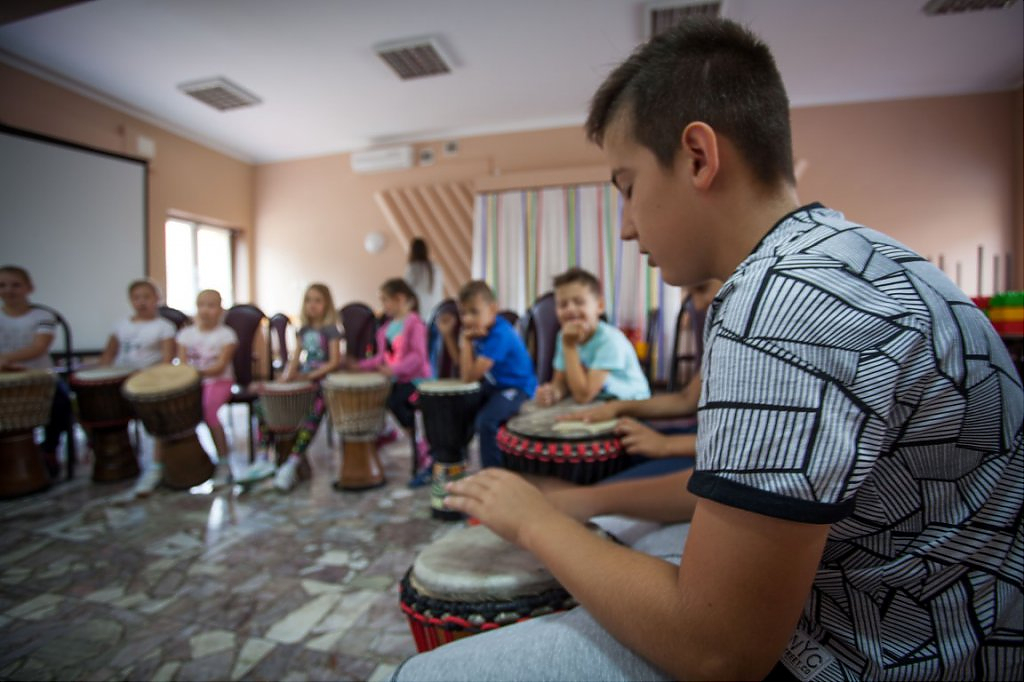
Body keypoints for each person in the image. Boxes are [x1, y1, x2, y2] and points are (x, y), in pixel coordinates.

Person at [395, 17, 1023, 682]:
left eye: (628, 187)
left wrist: (533, 522)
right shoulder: (849, 257)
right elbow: (746, 499)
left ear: (698, 156)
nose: (627, 227)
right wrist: (576, 506)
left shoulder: (784, 305)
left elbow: (718, 650)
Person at [568, 279, 722, 482]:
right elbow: (687, 399)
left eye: (701, 289)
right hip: (701, 435)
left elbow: (746, 442)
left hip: (714, 453)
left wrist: (666, 445)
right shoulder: (722, 335)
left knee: (594, 486)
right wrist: (617, 408)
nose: (698, 305)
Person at [437, 281, 536, 470]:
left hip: (517, 388)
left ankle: (492, 472)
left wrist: (466, 342)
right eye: (463, 313)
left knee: (487, 421)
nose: (467, 319)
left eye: (474, 312)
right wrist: (449, 336)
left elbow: (468, 377)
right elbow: (462, 365)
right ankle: (456, 461)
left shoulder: (500, 334)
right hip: (495, 386)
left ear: (493, 309)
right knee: (459, 407)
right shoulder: (482, 330)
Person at [351, 278, 432, 486]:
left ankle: (421, 446)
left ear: (400, 298)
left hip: (418, 381)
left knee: (397, 400)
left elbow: (418, 357)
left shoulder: (414, 324)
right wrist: (359, 366)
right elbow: (381, 358)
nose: (383, 305)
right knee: (384, 397)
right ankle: (392, 432)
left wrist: (393, 369)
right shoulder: (385, 329)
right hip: (398, 380)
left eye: (385, 300)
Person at [534, 267, 650, 408]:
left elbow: (583, 396)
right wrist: (554, 393)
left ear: (600, 306)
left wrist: (569, 345)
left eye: (579, 302)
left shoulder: (610, 340)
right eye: (563, 305)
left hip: (632, 405)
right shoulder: (563, 336)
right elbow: (560, 381)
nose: (570, 309)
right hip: (599, 402)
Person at [265, 283, 342, 492]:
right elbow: (295, 358)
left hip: (322, 380)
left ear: (327, 304)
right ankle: (264, 458)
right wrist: (286, 378)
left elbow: (334, 362)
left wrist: (309, 376)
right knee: (265, 406)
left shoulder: (331, 329)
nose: (312, 305)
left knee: (313, 415)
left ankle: (292, 462)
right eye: (308, 300)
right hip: (305, 376)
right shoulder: (303, 329)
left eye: (317, 300)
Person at [0, 265, 72, 478]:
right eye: (2, 285)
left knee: (62, 403)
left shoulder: (43, 315)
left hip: (41, 379)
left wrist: (5, 360)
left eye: (16, 285)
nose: (9, 290)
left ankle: (49, 449)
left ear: (29, 288)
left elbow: (39, 347)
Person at [175, 289, 237, 465]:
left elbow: (219, 367)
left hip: (220, 381)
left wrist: (195, 372)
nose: (205, 310)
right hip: (192, 383)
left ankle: (224, 461)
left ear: (220, 310)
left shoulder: (227, 335)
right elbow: (182, 364)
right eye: (201, 305)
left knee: (209, 410)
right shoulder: (185, 335)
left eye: (211, 305)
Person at [98, 279, 176, 369]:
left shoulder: (166, 327)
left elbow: (167, 361)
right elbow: (108, 355)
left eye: (147, 297)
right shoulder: (119, 325)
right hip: (119, 372)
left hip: (148, 375)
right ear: (130, 300)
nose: (141, 302)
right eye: (136, 298)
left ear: (157, 298)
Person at [405, 237, 445, 322]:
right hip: (437, 307)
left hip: (419, 309)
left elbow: (406, 289)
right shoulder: (436, 267)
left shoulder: (413, 268)